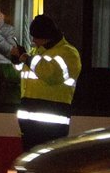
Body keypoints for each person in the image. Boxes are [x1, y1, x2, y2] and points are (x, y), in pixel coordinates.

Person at [10, 14, 81, 152]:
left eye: (36, 37)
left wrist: (25, 58)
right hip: (29, 126)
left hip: (52, 126)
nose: (33, 41)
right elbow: (25, 73)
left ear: (46, 36)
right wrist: (16, 60)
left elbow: (50, 74)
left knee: (48, 166)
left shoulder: (68, 53)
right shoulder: (38, 51)